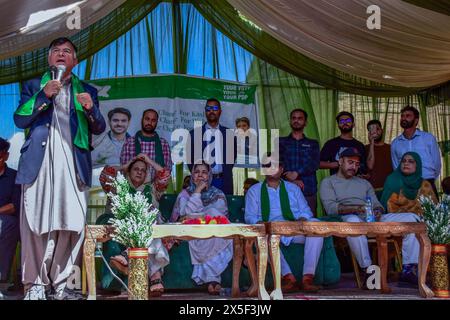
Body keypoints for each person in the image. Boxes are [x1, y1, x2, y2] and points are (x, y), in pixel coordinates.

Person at [14, 37, 106, 300]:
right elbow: (20, 118)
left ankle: (63, 284)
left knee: (71, 224)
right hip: (39, 165)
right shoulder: (34, 86)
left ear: (75, 61)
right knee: (35, 223)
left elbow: (99, 127)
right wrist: (44, 95)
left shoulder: (86, 90)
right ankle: (35, 285)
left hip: (73, 165)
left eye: (68, 51)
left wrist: (91, 108)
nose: (62, 54)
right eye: (57, 51)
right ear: (49, 59)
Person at [320, 147, 422, 286]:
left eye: (356, 164)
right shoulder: (328, 182)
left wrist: (378, 211)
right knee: (354, 221)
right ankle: (368, 269)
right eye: (350, 162)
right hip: (347, 219)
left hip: (371, 218)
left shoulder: (364, 183)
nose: (354, 167)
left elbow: (376, 203)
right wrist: (357, 209)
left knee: (411, 218)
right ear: (340, 161)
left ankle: (409, 269)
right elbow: (331, 208)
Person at [245, 153, 323, 292]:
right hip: (271, 231)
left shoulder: (293, 189)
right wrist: (263, 224)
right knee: (262, 236)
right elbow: (250, 216)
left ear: (281, 169)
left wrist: (301, 220)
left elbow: (306, 211)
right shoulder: (254, 191)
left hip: (294, 230)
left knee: (316, 226)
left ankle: (307, 278)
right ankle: (288, 278)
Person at [98, 155, 170, 296]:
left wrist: (148, 161)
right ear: (129, 172)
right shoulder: (118, 187)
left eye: (143, 170)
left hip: (150, 228)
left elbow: (165, 175)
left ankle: (127, 254)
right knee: (146, 220)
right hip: (126, 231)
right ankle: (156, 277)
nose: (139, 172)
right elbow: (105, 174)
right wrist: (125, 166)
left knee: (151, 216)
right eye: (135, 169)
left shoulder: (153, 189)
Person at [170, 161, 232, 295]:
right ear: (192, 176)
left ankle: (212, 279)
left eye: (204, 172)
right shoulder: (184, 194)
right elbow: (185, 215)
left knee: (214, 217)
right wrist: (197, 191)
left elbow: (220, 218)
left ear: (209, 175)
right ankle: (214, 280)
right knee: (206, 225)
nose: (200, 176)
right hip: (191, 233)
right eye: (197, 172)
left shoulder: (218, 194)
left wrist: (203, 216)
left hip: (213, 233)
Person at [391, 106, 441, 197]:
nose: (403, 118)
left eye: (408, 116)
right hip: (406, 186)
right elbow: (396, 167)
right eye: (402, 116)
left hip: (427, 182)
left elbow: (437, 163)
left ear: (416, 120)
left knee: (431, 211)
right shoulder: (395, 143)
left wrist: (429, 180)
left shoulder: (428, 138)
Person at [189, 98, 236, 195]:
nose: (211, 111)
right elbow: (190, 161)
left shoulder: (229, 134)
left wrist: (224, 173)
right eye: (208, 108)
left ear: (220, 111)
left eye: (215, 108)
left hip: (223, 181)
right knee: (201, 209)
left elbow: (232, 158)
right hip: (201, 182)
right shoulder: (194, 134)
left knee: (223, 209)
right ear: (205, 111)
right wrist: (200, 176)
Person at [280, 109, 320, 215]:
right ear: (290, 121)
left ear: (305, 122)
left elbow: (314, 163)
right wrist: (291, 179)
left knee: (310, 225)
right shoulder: (280, 142)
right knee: (285, 223)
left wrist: (296, 173)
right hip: (285, 189)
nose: (296, 120)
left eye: (300, 118)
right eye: (293, 118)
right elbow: (277, 164)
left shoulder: (313, 143)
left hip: (308, 189)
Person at [120, 108, 172, 184]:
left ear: (156, 122)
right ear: (142, 120)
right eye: (147, 119)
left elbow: (167, 172)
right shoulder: (129, 143)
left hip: (156, 190)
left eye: (153, 120)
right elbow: (124, 170)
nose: (149, 123)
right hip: (134, 189)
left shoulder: (163, 144)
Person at [0, 138, 21, 286]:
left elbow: (15, 205)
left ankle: (2, 277)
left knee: (6, 225)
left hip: (7, 220)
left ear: (6, 156)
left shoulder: (14, 176)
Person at [320, 111, 367, 175]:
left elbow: (364, 167)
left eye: (348, 120)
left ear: (353, 124)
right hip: (336, 182)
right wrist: (338, 164)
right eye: (341, 121)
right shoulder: (331, 143)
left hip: (355, 182)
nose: (345, 123)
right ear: (338, 125)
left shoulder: (360, 145)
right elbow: (318, 164)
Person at [365, 119, 393, 194]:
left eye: (377, 129)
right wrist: (371, 143)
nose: (375, 132)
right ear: (369, 133)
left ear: (382, 130)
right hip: (370, 190)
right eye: (371, 130)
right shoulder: (365, 148)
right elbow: (370, 166)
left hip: (389, 189)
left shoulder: (391, 148)